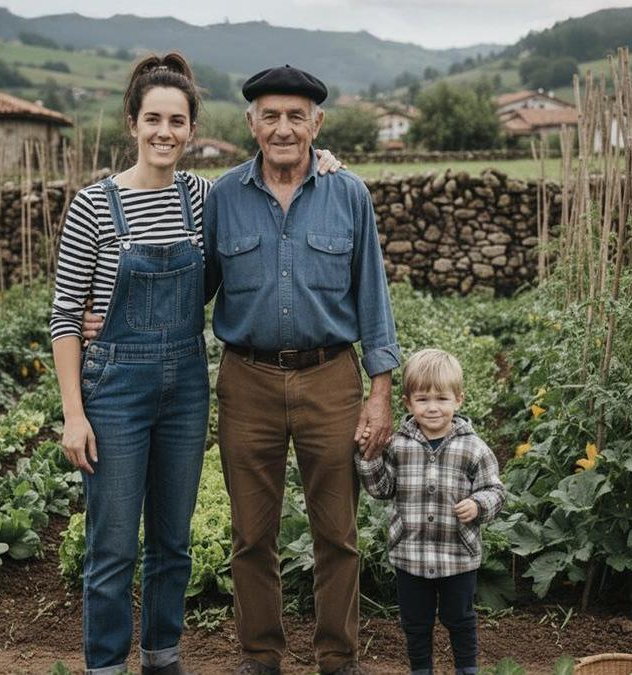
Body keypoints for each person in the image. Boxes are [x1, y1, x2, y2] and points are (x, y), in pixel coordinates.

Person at [50, 54, 341, 675]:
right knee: (111, 546)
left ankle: (163, 657)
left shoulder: (205, 198)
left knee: (173, 542)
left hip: (184, 385)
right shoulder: (93, 206)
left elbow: (269, 200)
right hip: (114, 389)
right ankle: (105, 664)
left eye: (176, 121)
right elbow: (64, 316)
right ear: (132, 123)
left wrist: (327, 163)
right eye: (152, 118)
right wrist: (73, 414)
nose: (164, 132)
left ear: (191, 129)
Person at [203, 64, 401, 675]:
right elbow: (193, 291)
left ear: (317, 122)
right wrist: (109, 318)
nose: (283, 128)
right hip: (248, 381)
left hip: (330, 379)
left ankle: (337, 659)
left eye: (296, 116)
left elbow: (373, 297)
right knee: (251, 535)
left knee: (337, 534)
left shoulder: (349, 195)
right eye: (271, 116)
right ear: (251, 124)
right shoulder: (222, 197)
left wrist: (379, 393)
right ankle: (261, 656)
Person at [355, 349, 505, 675]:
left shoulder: (473, 448)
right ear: (408, 403)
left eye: (441, 398)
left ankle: (467, 668)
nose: (433, 407)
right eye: (423, 399)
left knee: (460, 618)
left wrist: (479, 505)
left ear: (458, 400)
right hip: (410, 555)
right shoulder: (398, 445)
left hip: (458, 557)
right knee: (415, 623)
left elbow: (496, 491)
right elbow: (381, 490)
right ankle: (420, 670)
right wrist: (369, 457)